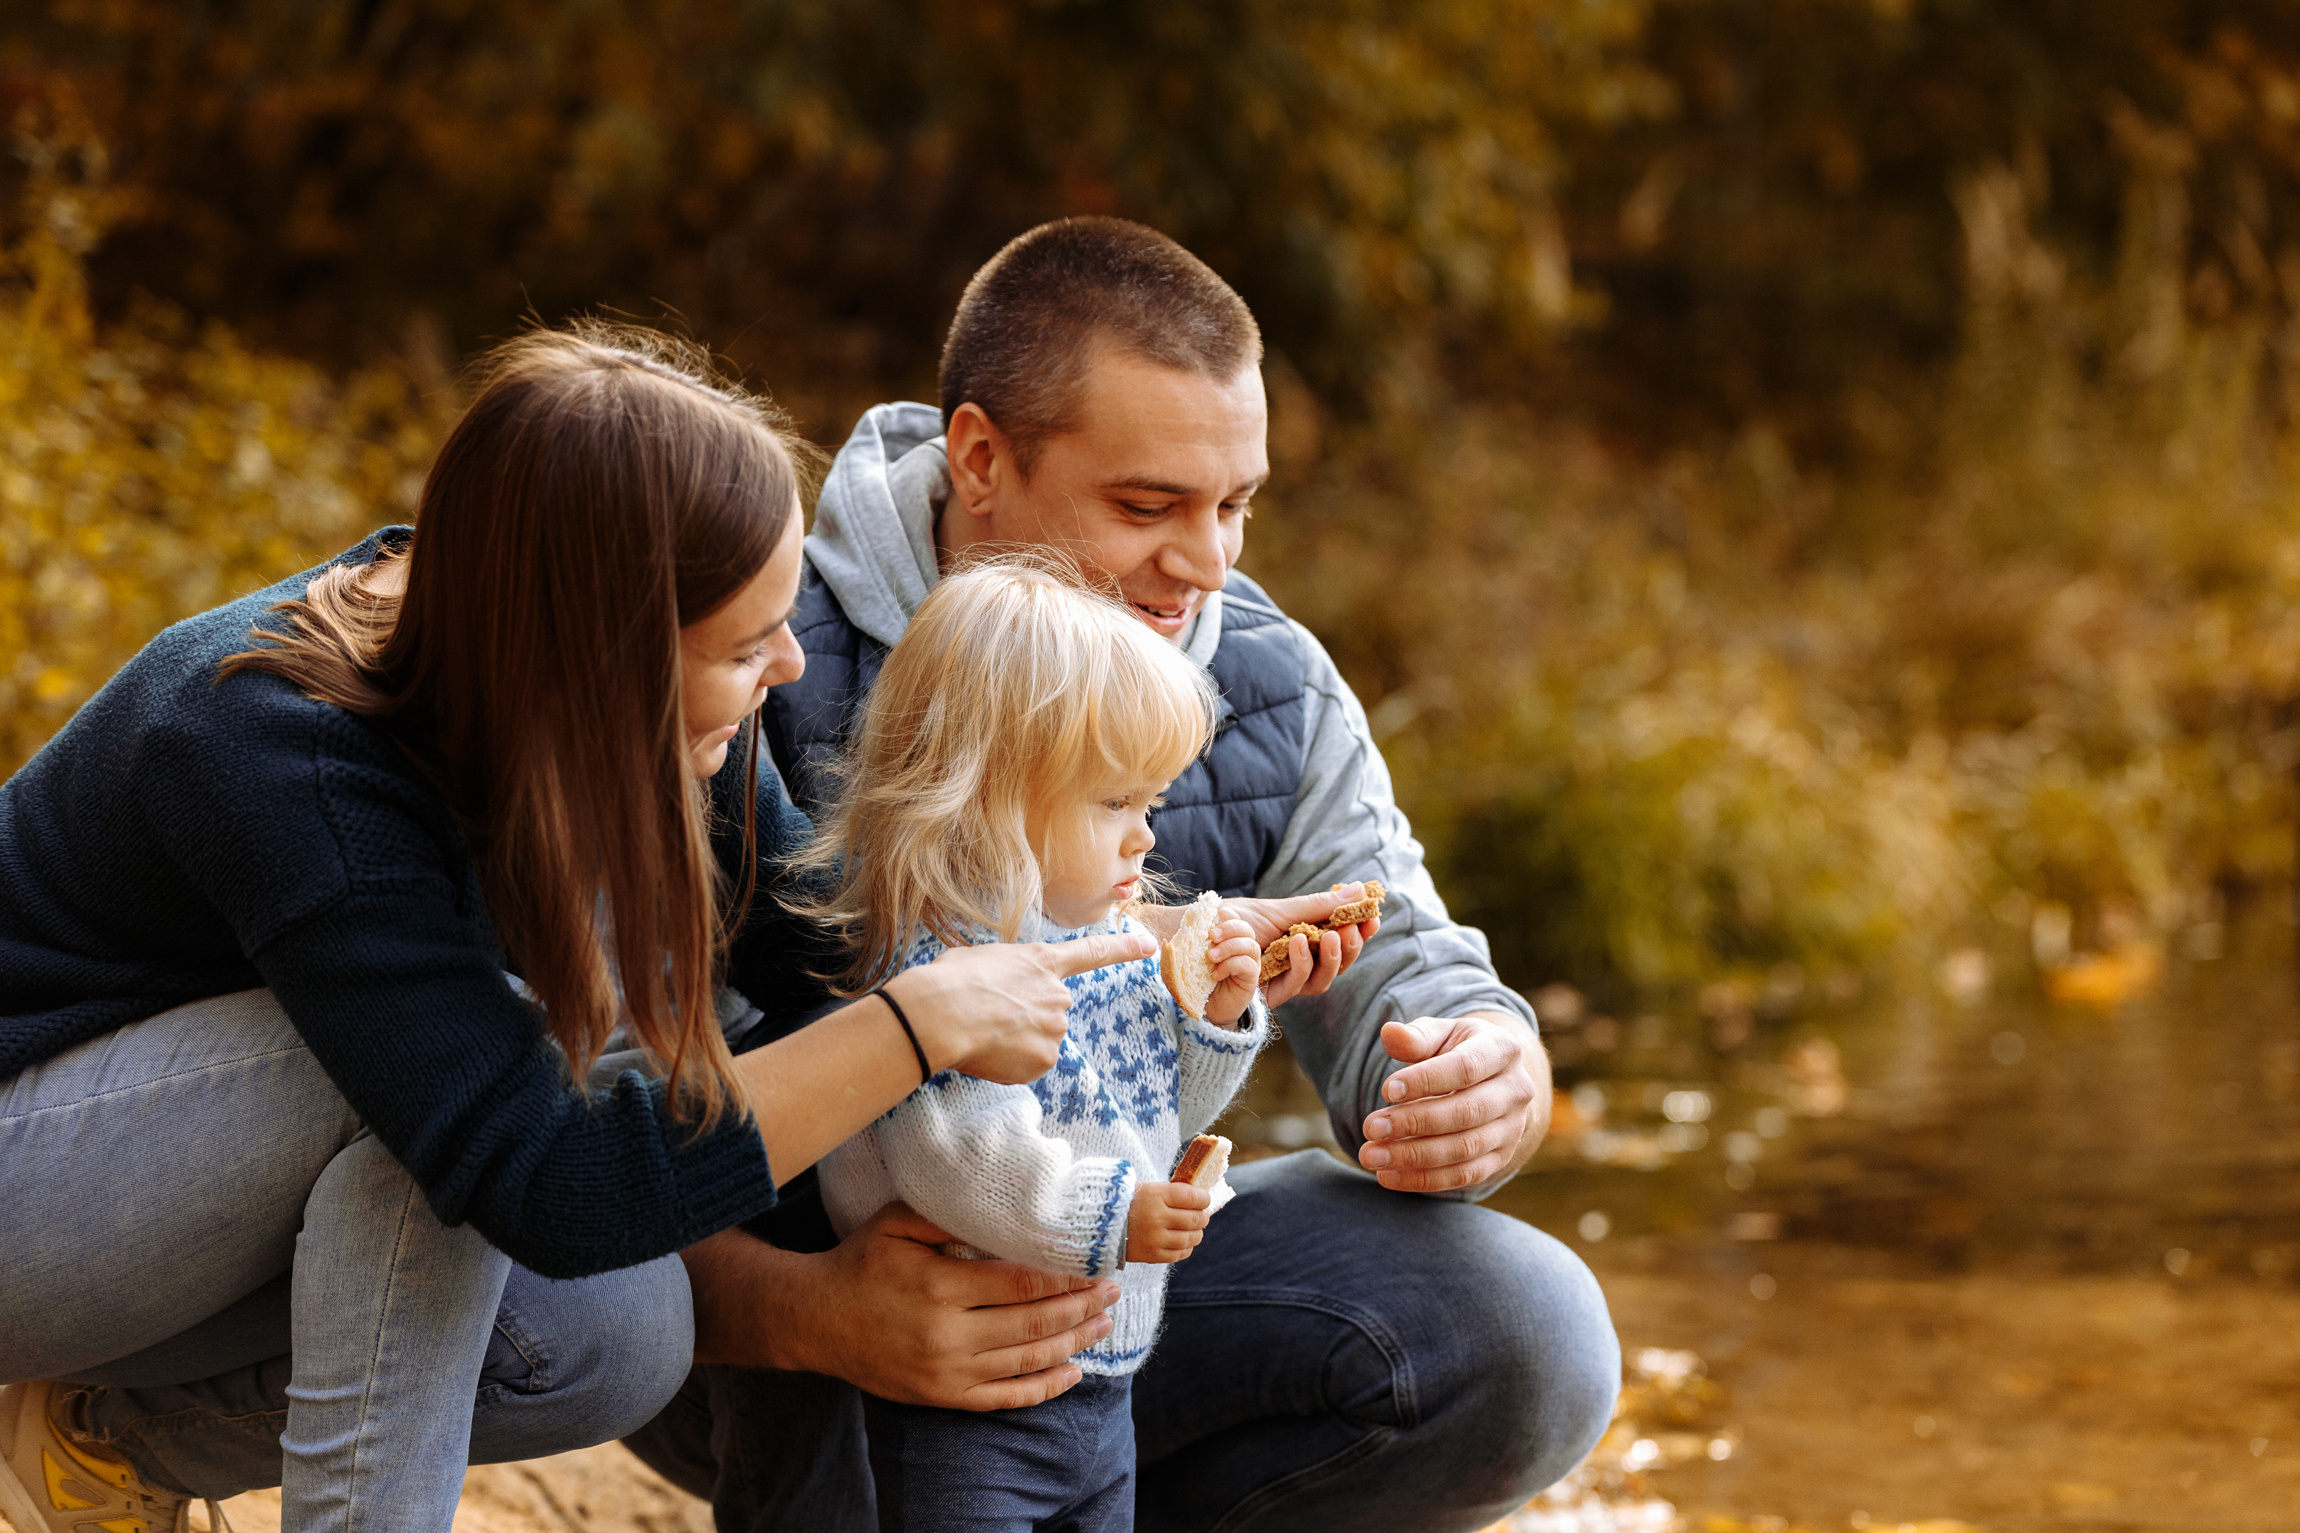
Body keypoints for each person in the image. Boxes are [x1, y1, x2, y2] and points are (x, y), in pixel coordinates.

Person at [0, 324, 1150, 1533]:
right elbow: (537, 1168)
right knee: (438, 1096)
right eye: (747, 641)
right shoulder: (270, 748)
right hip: (38, 1172)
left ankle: (95, 1450)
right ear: (604, 651)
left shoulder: (617, 691)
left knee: (611, 1336)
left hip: (165, 1207)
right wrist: (910, 1029)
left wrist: (1135, 973)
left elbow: (816, 959)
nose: (789, 662)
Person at [629, 221, 1621, 1531]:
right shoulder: (754, 654)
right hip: (765, 1323)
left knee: (1535, 1334)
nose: (1207, 563)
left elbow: (1390, 937)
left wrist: (1478, 1065)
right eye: (1147, 506)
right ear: (980, 458)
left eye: (1236, 504)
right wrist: (810, 1316)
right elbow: (579, 1118)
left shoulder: (1271, 680)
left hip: (1102, 1285)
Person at [801, 557, 1274, 1530]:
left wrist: (1211, 1018)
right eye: (1114, 805)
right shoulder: (937, 967)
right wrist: (1116, 1220)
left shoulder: (1096, 934)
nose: (1144, 838)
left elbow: (1151, 1116)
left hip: (1100, 1364)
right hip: (971, 1380)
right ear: (988, 794)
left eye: (1150, 803)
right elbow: (958, 1158)